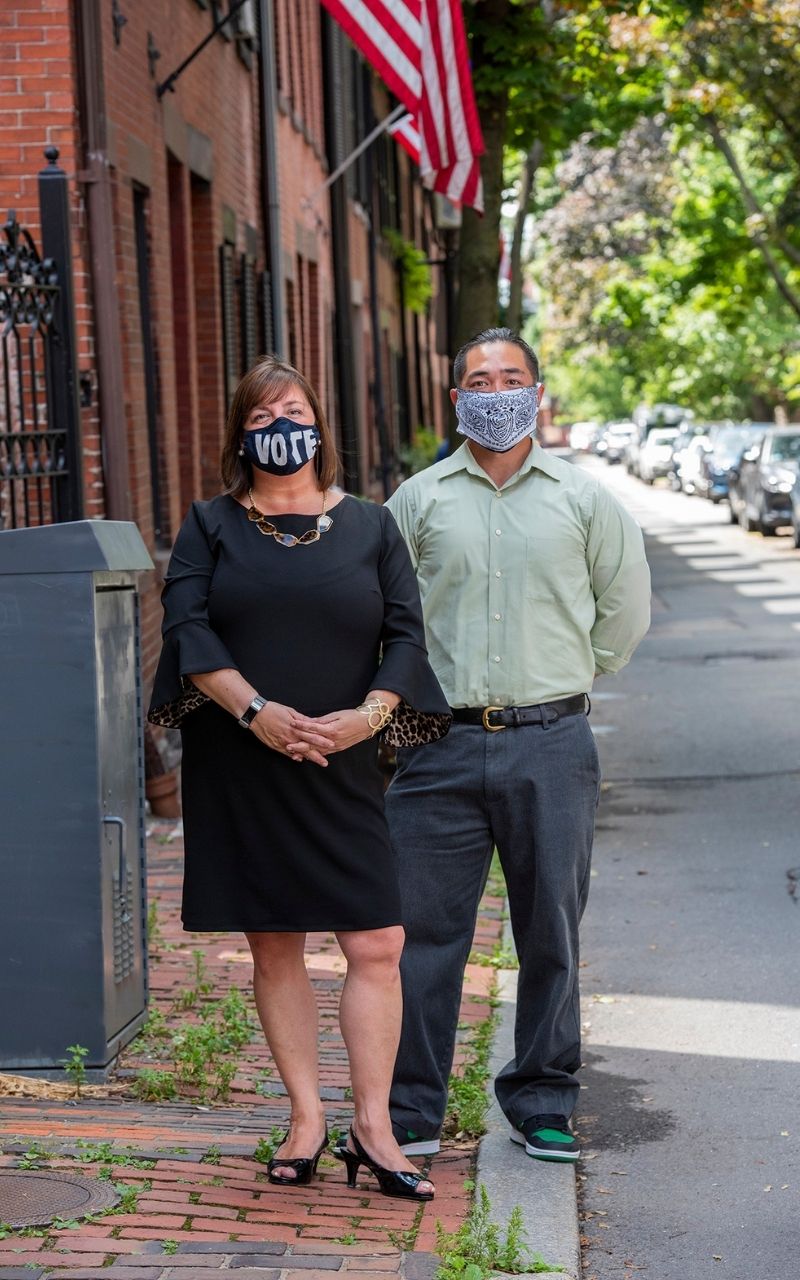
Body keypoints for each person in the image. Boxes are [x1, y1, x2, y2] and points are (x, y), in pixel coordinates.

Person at [148, 355, 451, 1200]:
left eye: (294, 410)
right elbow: (190, 630)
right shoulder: (211, 525)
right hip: (245, 762)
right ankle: (306, 1117)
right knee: (275, 942)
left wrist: (370, 715)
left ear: (320, 426)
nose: (281, 426)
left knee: (376, 942)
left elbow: (405, 634)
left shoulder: (370, 526)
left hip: (345, 759)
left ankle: (376, 1127)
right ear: (242, 435)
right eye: (262, 415)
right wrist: (258, 715)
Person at [384, 327, 651, 1163]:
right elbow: (383, 616)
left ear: (537, 391)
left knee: (551, 934)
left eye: (510, 377)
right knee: (420, 937)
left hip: (552, 743)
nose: (494, 390)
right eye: (478, 379)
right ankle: (411, 1109)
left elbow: (625, 611)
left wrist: (566, 678)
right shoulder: (417, 502)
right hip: (438, 746)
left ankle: (542, 1100)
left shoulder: (584, 499)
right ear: (456, 398)